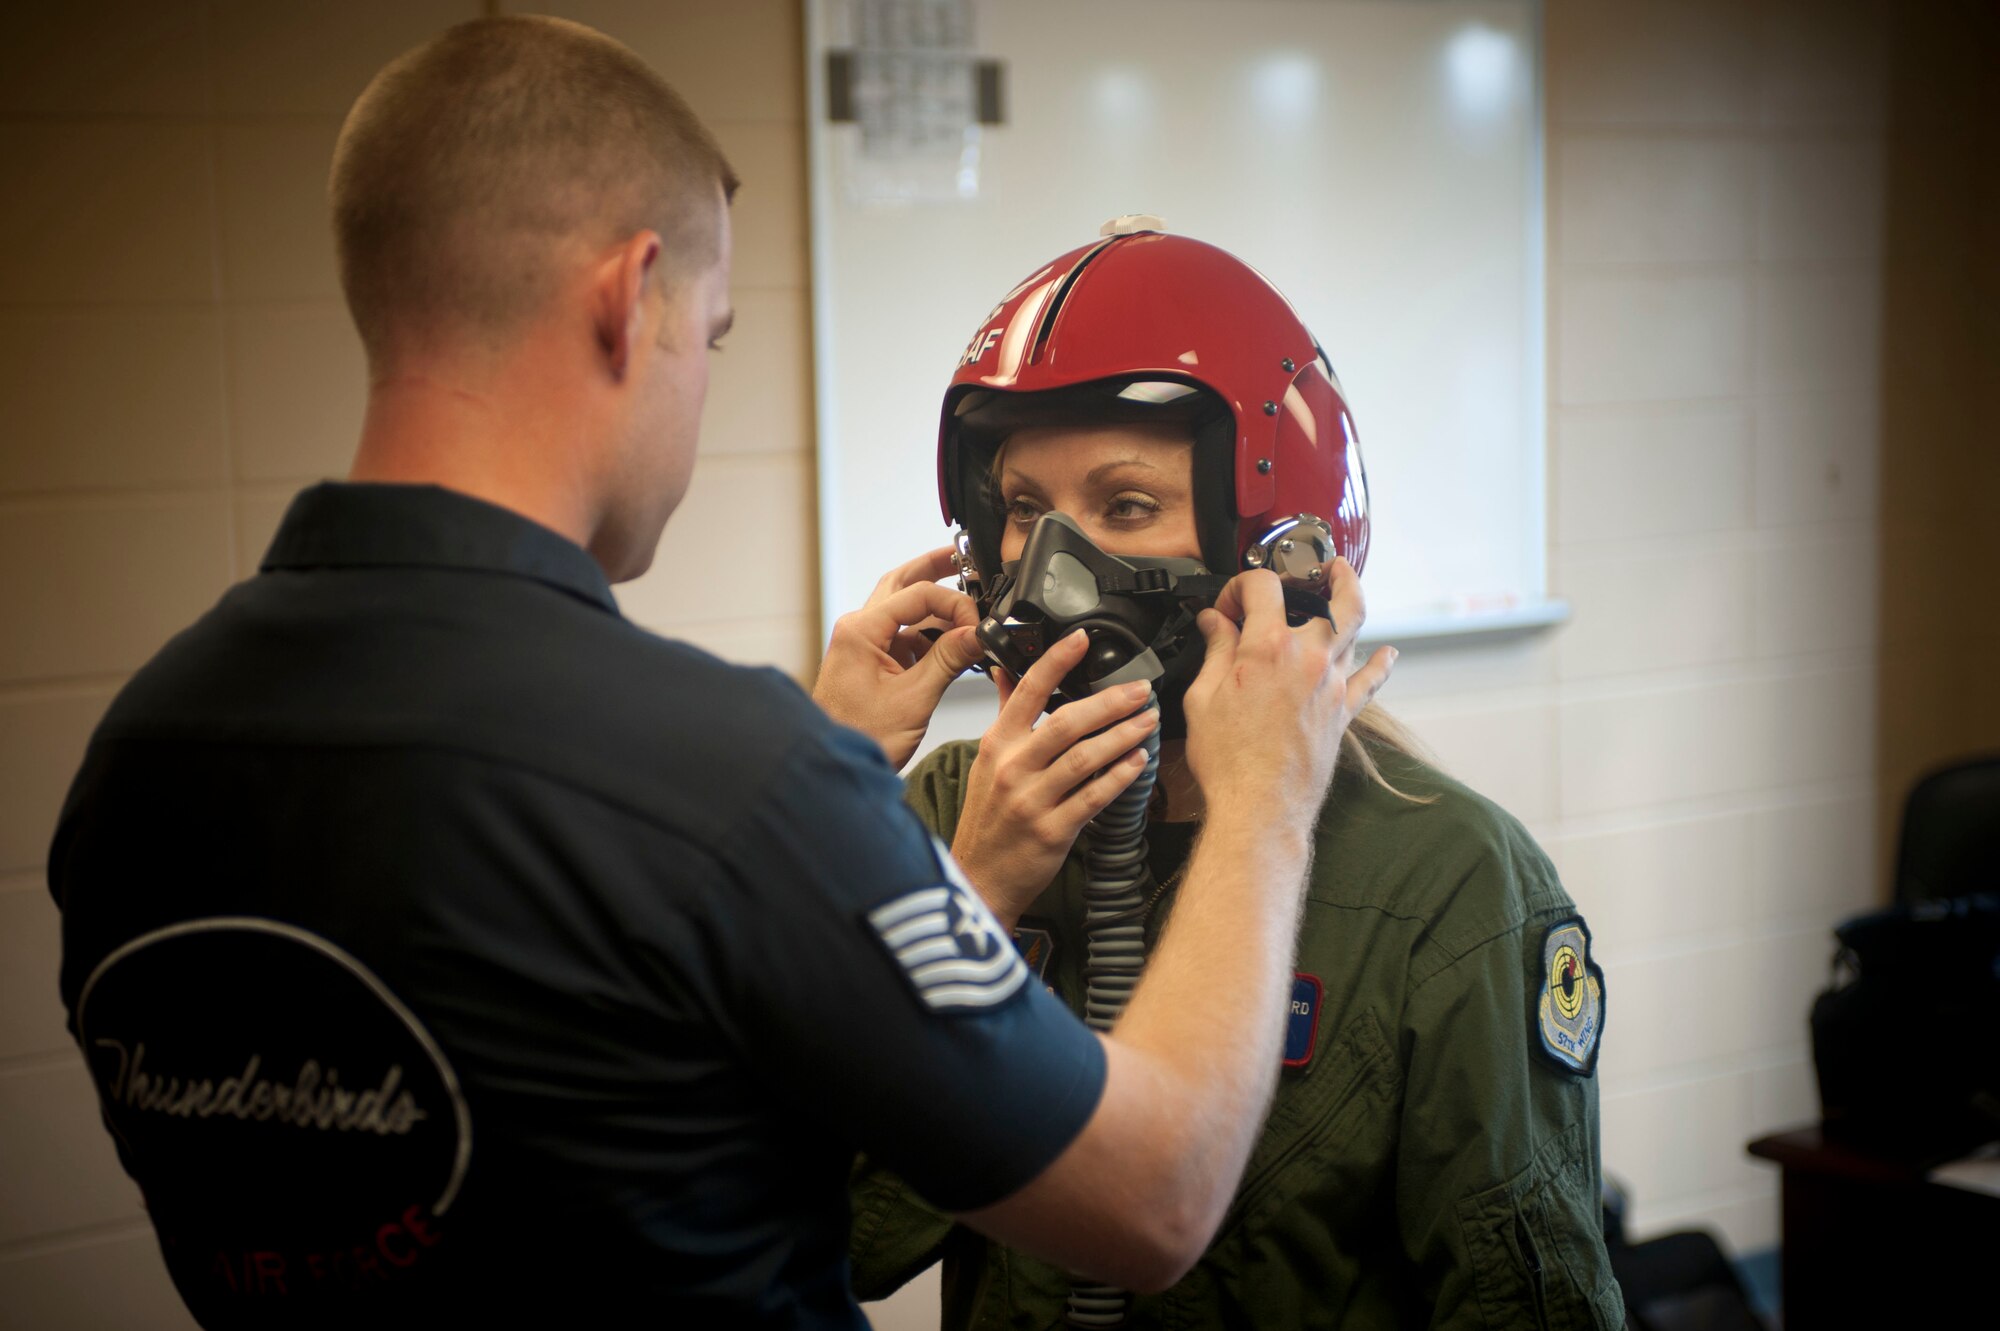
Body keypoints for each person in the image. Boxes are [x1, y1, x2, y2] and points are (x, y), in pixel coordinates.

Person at [45, 20, 1394, 1330]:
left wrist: (829, 782)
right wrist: (1268, 800)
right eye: (717, 334)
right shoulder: (731, 780)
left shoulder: (137, 755)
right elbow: (1152, 1200)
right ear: (631, 301)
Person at [848, 225, 1626, 1329]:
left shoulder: (1446, 881)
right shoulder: (946, 818)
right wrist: (967, 894)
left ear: (1275, 558)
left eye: (1124, 506)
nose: (1052, 565)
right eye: (1025, 508)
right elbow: (847, 1239)